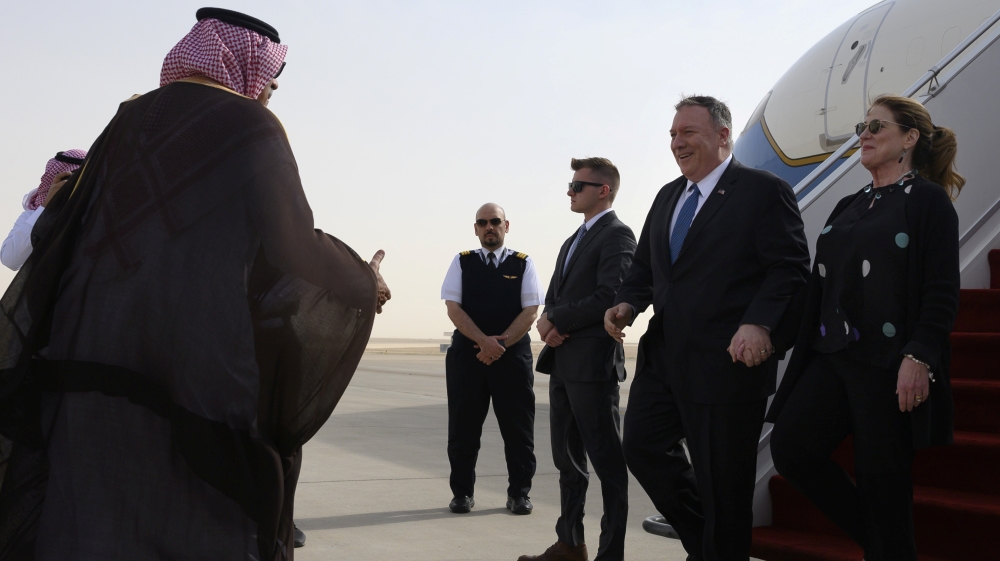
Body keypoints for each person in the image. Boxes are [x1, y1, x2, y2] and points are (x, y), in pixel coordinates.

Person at [0, 8, 389, 561]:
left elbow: (69, 219)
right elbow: (292, 245)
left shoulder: (129, 117)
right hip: (188, 367)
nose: (270, 93)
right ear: (247, 65)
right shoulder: (252, 126)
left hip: (86, 354)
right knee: (205, 509)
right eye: (270, 80)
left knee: (88, 507)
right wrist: (360, 281)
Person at [604, 95, 810, 561]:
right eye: (673, 135)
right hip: (665, 360)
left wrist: (760, 324)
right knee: (642, 447)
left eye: (688, 133)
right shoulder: (668, 196)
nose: (677, 142)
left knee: (725, 488)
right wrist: (626, 304)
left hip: (728, 365)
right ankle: (709, 545)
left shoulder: (762, 191)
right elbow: (645, 270)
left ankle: (719, 547)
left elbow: (790, 269)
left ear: (722, 136)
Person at [767, 95, 963, 561]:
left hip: (889, 362)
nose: (864, 134)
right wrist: (771, 334)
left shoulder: (928, 201)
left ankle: (890, 548)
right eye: (862, 126)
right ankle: (886, 548)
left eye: (877, 126)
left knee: (884, 484)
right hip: (832, 354)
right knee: (792, 447)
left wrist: (919, 356)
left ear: (909, 139)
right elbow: (819, 288)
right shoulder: (847, 204)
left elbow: (941, 290)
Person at [519, 158, 636, 561]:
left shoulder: (618, 236)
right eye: (570, 186)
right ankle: (570, 544)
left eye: (577, 186)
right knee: (567, 461)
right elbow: (556, 296)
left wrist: (556, 319)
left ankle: (610, 553)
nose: (570, 192)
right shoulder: (573, 240)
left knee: (607, 464)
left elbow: (611, 296)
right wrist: (548, 323)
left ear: (603, 190)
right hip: (563, 363)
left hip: (593, 366)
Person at [441, 203, 543, 515]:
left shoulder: (523, 264)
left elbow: (530, 311)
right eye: (483, 222)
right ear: (475, 228)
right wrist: (484, 342)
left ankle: (519, 495)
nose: (489, 227)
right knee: (463, 430)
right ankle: (462, 494)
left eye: (495, 221)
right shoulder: (462, 262)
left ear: (506, 225)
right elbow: (453, 309)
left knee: (518, 431)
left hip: (511, 360)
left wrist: (499, 345)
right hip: (467, 359)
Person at [1, 150, 86, 270]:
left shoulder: (97, 217)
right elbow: (11, 260)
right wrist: (46, 206)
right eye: (69, 178)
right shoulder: (30, 217)